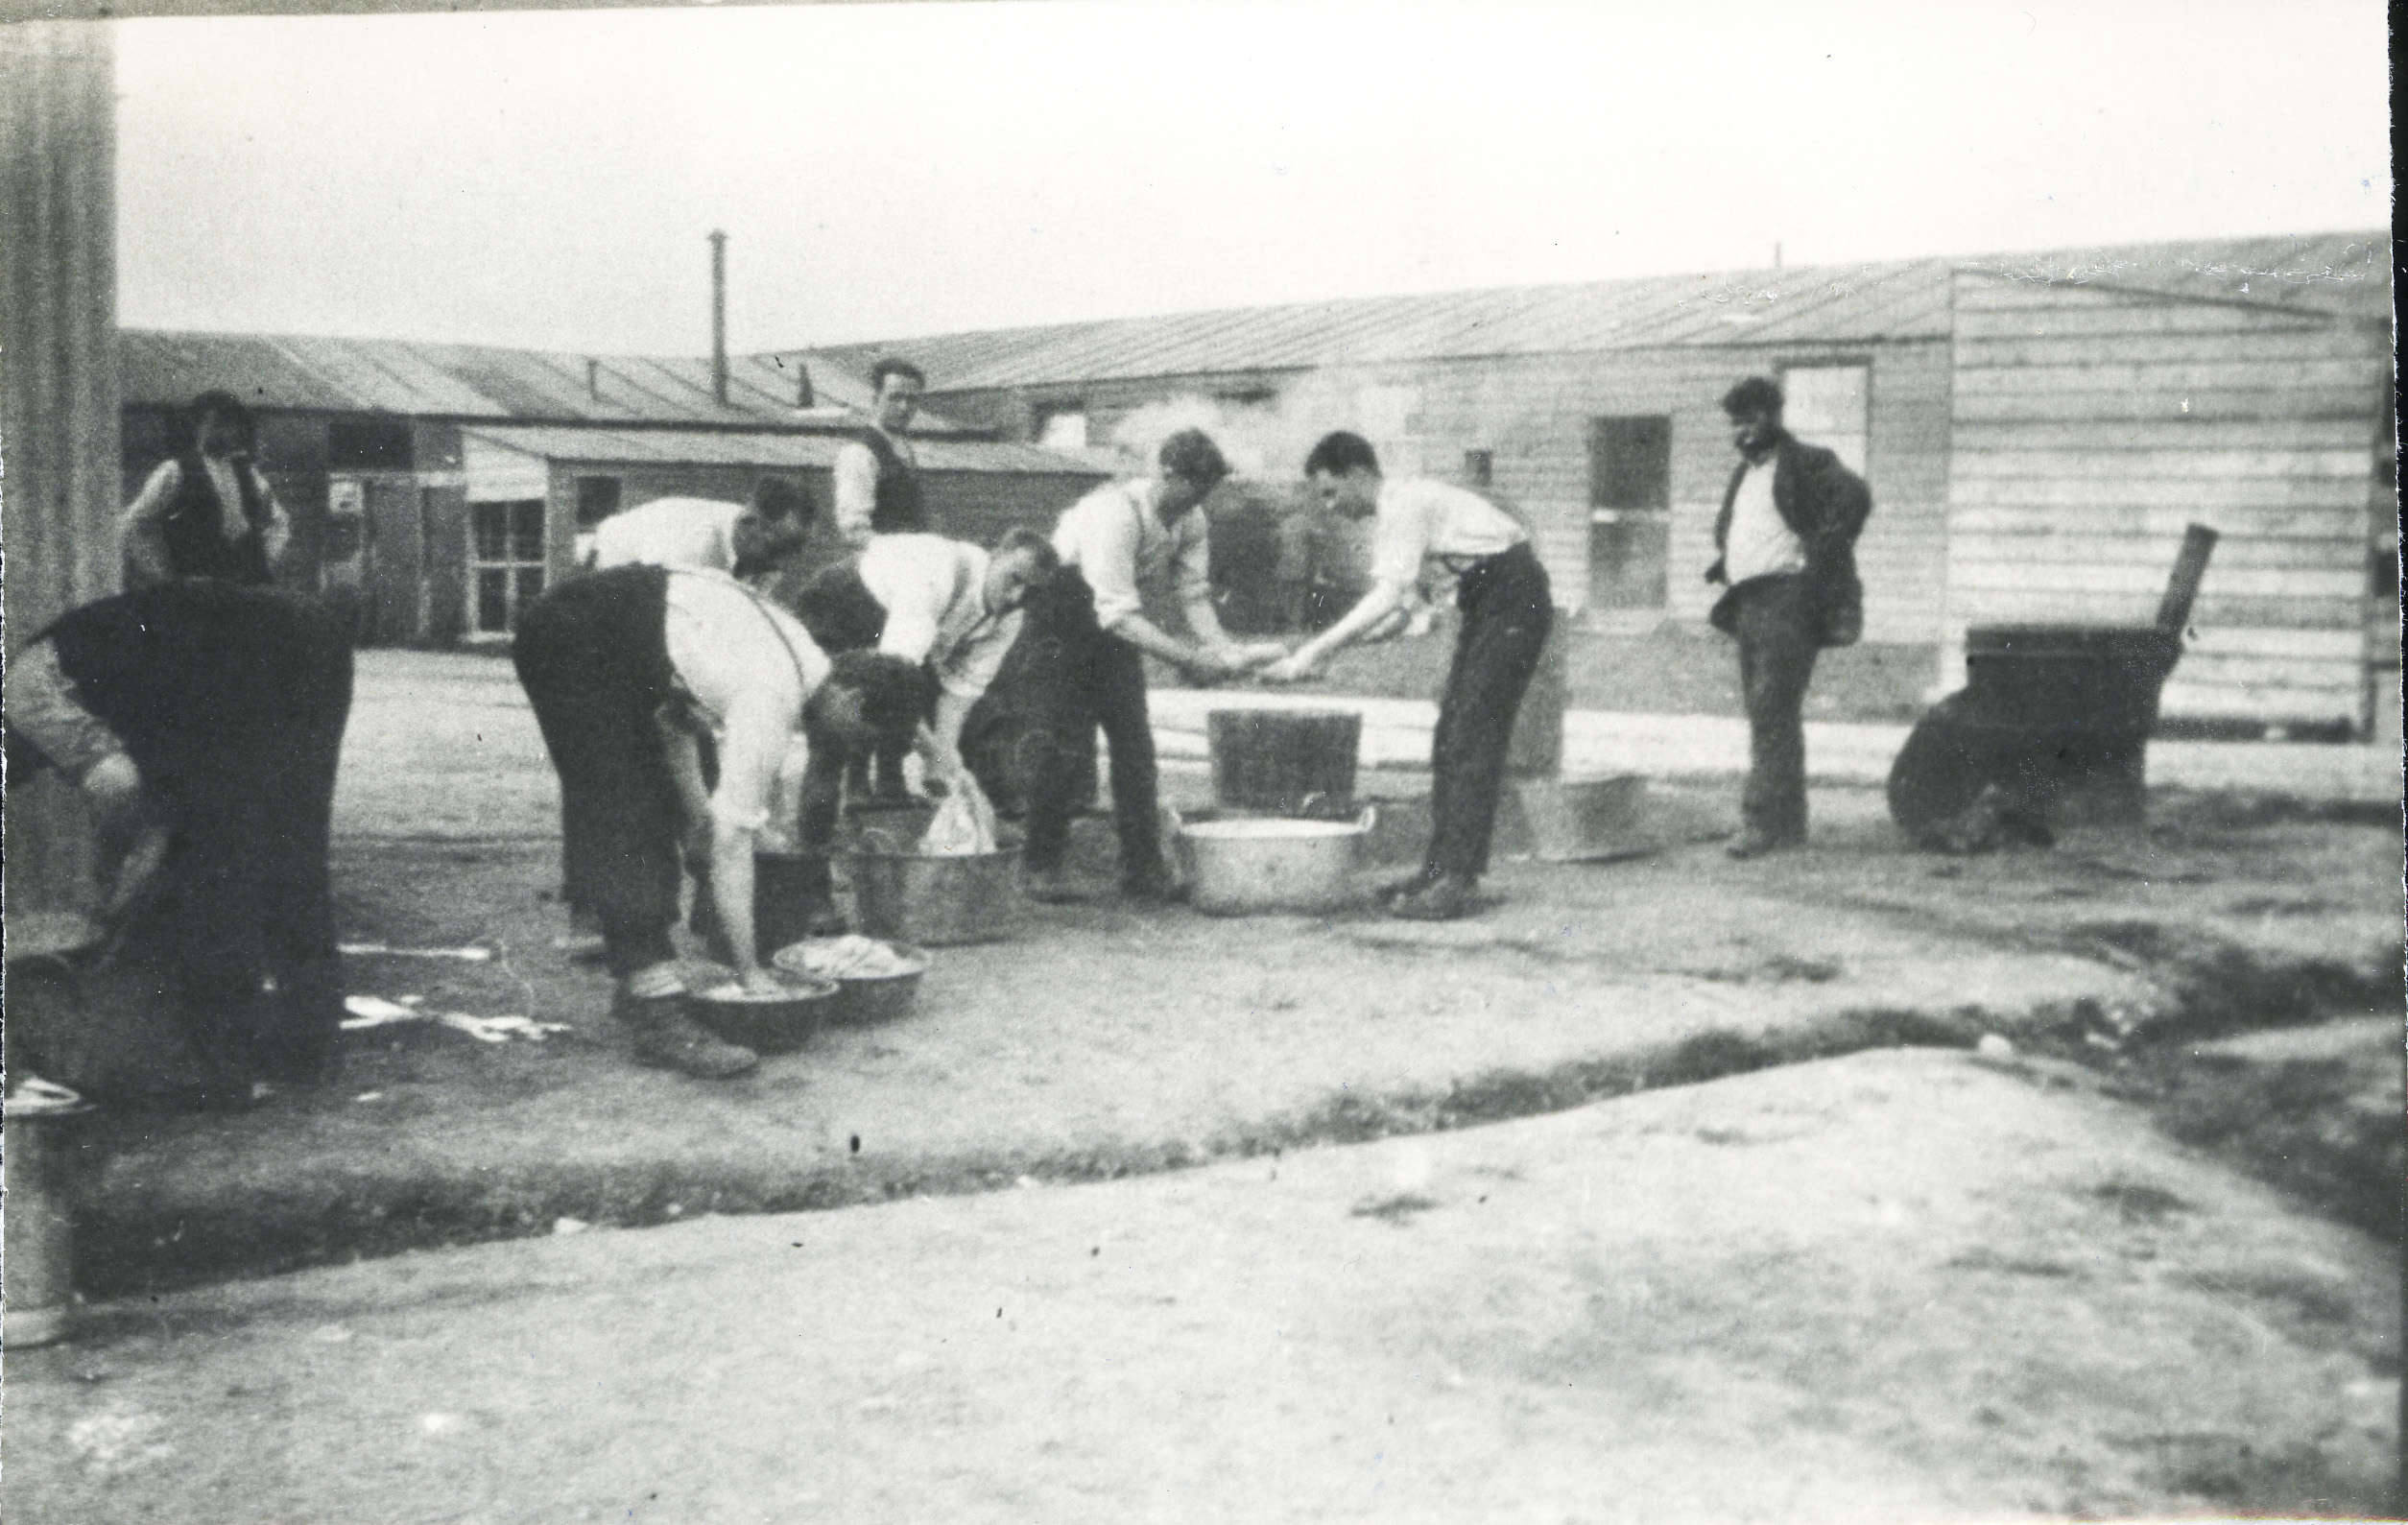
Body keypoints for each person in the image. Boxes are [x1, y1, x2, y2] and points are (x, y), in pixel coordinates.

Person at [512, 563, 928, 1080]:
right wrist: (751, 971)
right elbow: (733, 845)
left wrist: (697, 816)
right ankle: (654, 1006)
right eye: (861, 739)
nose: (848, 751)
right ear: (855, 701)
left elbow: (673, 719)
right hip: (571, 633)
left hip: (614, 623)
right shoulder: (771, 695)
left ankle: (627, 953)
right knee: (625, 801)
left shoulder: (804, 659)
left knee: (649, 787)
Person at [3, 581, 353, 1107]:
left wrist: (107, 879)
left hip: (251, 655)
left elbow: (117, 787)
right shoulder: (78, 672)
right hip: (308, 635)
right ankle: (307, 1044)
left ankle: (214, 1069)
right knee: (292, 842)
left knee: (217, 861)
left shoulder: (24, 692)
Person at [1264, 433, 1550, 921]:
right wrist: (1328, 654)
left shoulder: (1405, 504)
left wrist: (1313, 652)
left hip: (1513, 597)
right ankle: (1439, 871)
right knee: (1449, 737)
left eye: (1331, 492)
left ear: (1357, 473)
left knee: (1471, 737)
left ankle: (1457, 881)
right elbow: (1403, 616)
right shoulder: (1402, 512)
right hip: (1491, 603)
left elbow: (1387, 598)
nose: (1330, 507)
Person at [1015, 429, 1285, 901]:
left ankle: (1143, 869)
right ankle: (1041, 865)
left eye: (1206, 492)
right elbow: (1116, 611)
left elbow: (1193, 594)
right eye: (1193, 488)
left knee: (1135, 748)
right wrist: (1186, 659)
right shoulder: (1114, 513)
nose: (1198, 500)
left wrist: (1222, 653)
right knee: (1063, 747)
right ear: (1167, 473)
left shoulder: (1192, 519)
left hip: (1113, 627)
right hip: (1059, 620)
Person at [1704, 375, 1873, 859]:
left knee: (1770, 707)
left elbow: (1854, 498)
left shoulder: (1807, 462)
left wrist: (1818, 551)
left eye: (1753, 417)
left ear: (1774, 417)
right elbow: (1734, 528)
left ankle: (1759, 823)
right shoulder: (1745, 473)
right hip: (1749, 603)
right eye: (1736, 422)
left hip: (1789, 599)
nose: (1745, 430)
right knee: (1769, 713)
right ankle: (1788, 824)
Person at [785, 528, 1060, 788]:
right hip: (842, 601)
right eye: (1014, 579)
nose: (1017, 596)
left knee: (915, 696)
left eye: (1032, 591)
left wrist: (945, 762)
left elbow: (959, 695)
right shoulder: (937, 574)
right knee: (834, 722)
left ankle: (887, 790)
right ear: (996, 556)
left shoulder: (1012, 618)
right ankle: (824, 820)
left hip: (894, 629)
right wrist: (935, 755)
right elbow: (892, 677)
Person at [120, 390, 293, 587]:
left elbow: (279, 521)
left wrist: (266, 561)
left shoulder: (248, 473)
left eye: (231, 425)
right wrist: (164, 577)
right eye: (217, 424)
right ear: (198, 426)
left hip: (247, 585)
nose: (227, 432)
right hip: (197, 589)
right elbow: (134, 522)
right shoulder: (175, 471)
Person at [587, 477, 813, 582]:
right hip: (600, 570)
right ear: (749, 524)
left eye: (797, 547)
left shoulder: (762, 560)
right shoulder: (694, 544)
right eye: (781, 547)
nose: (786, 561)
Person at [831, 358, 930, 550]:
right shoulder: (860, 453)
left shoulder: (902, 447)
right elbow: (854, 530)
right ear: (875, 398)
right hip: (876, 565)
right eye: (895, 397)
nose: (904, 407)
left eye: (912, 399)